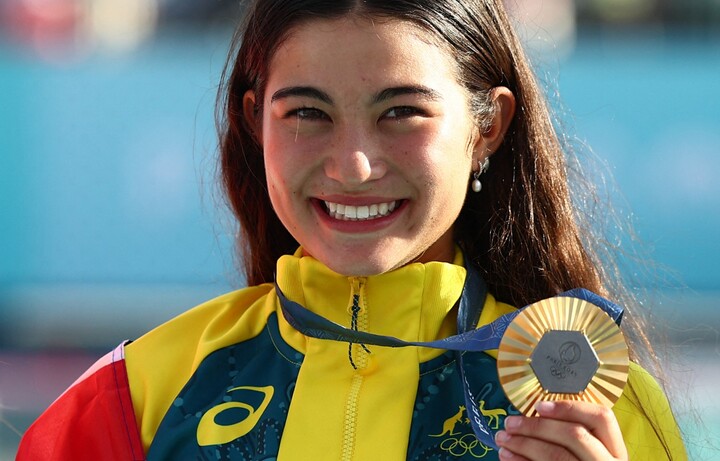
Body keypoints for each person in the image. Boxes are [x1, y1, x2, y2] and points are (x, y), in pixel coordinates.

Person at [17, 0, 687, 460]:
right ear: (255, 123)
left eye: (401, 112)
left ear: (488, 126)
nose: (354, 165)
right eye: (308, 113)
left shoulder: (593, 403)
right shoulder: (132, 396)